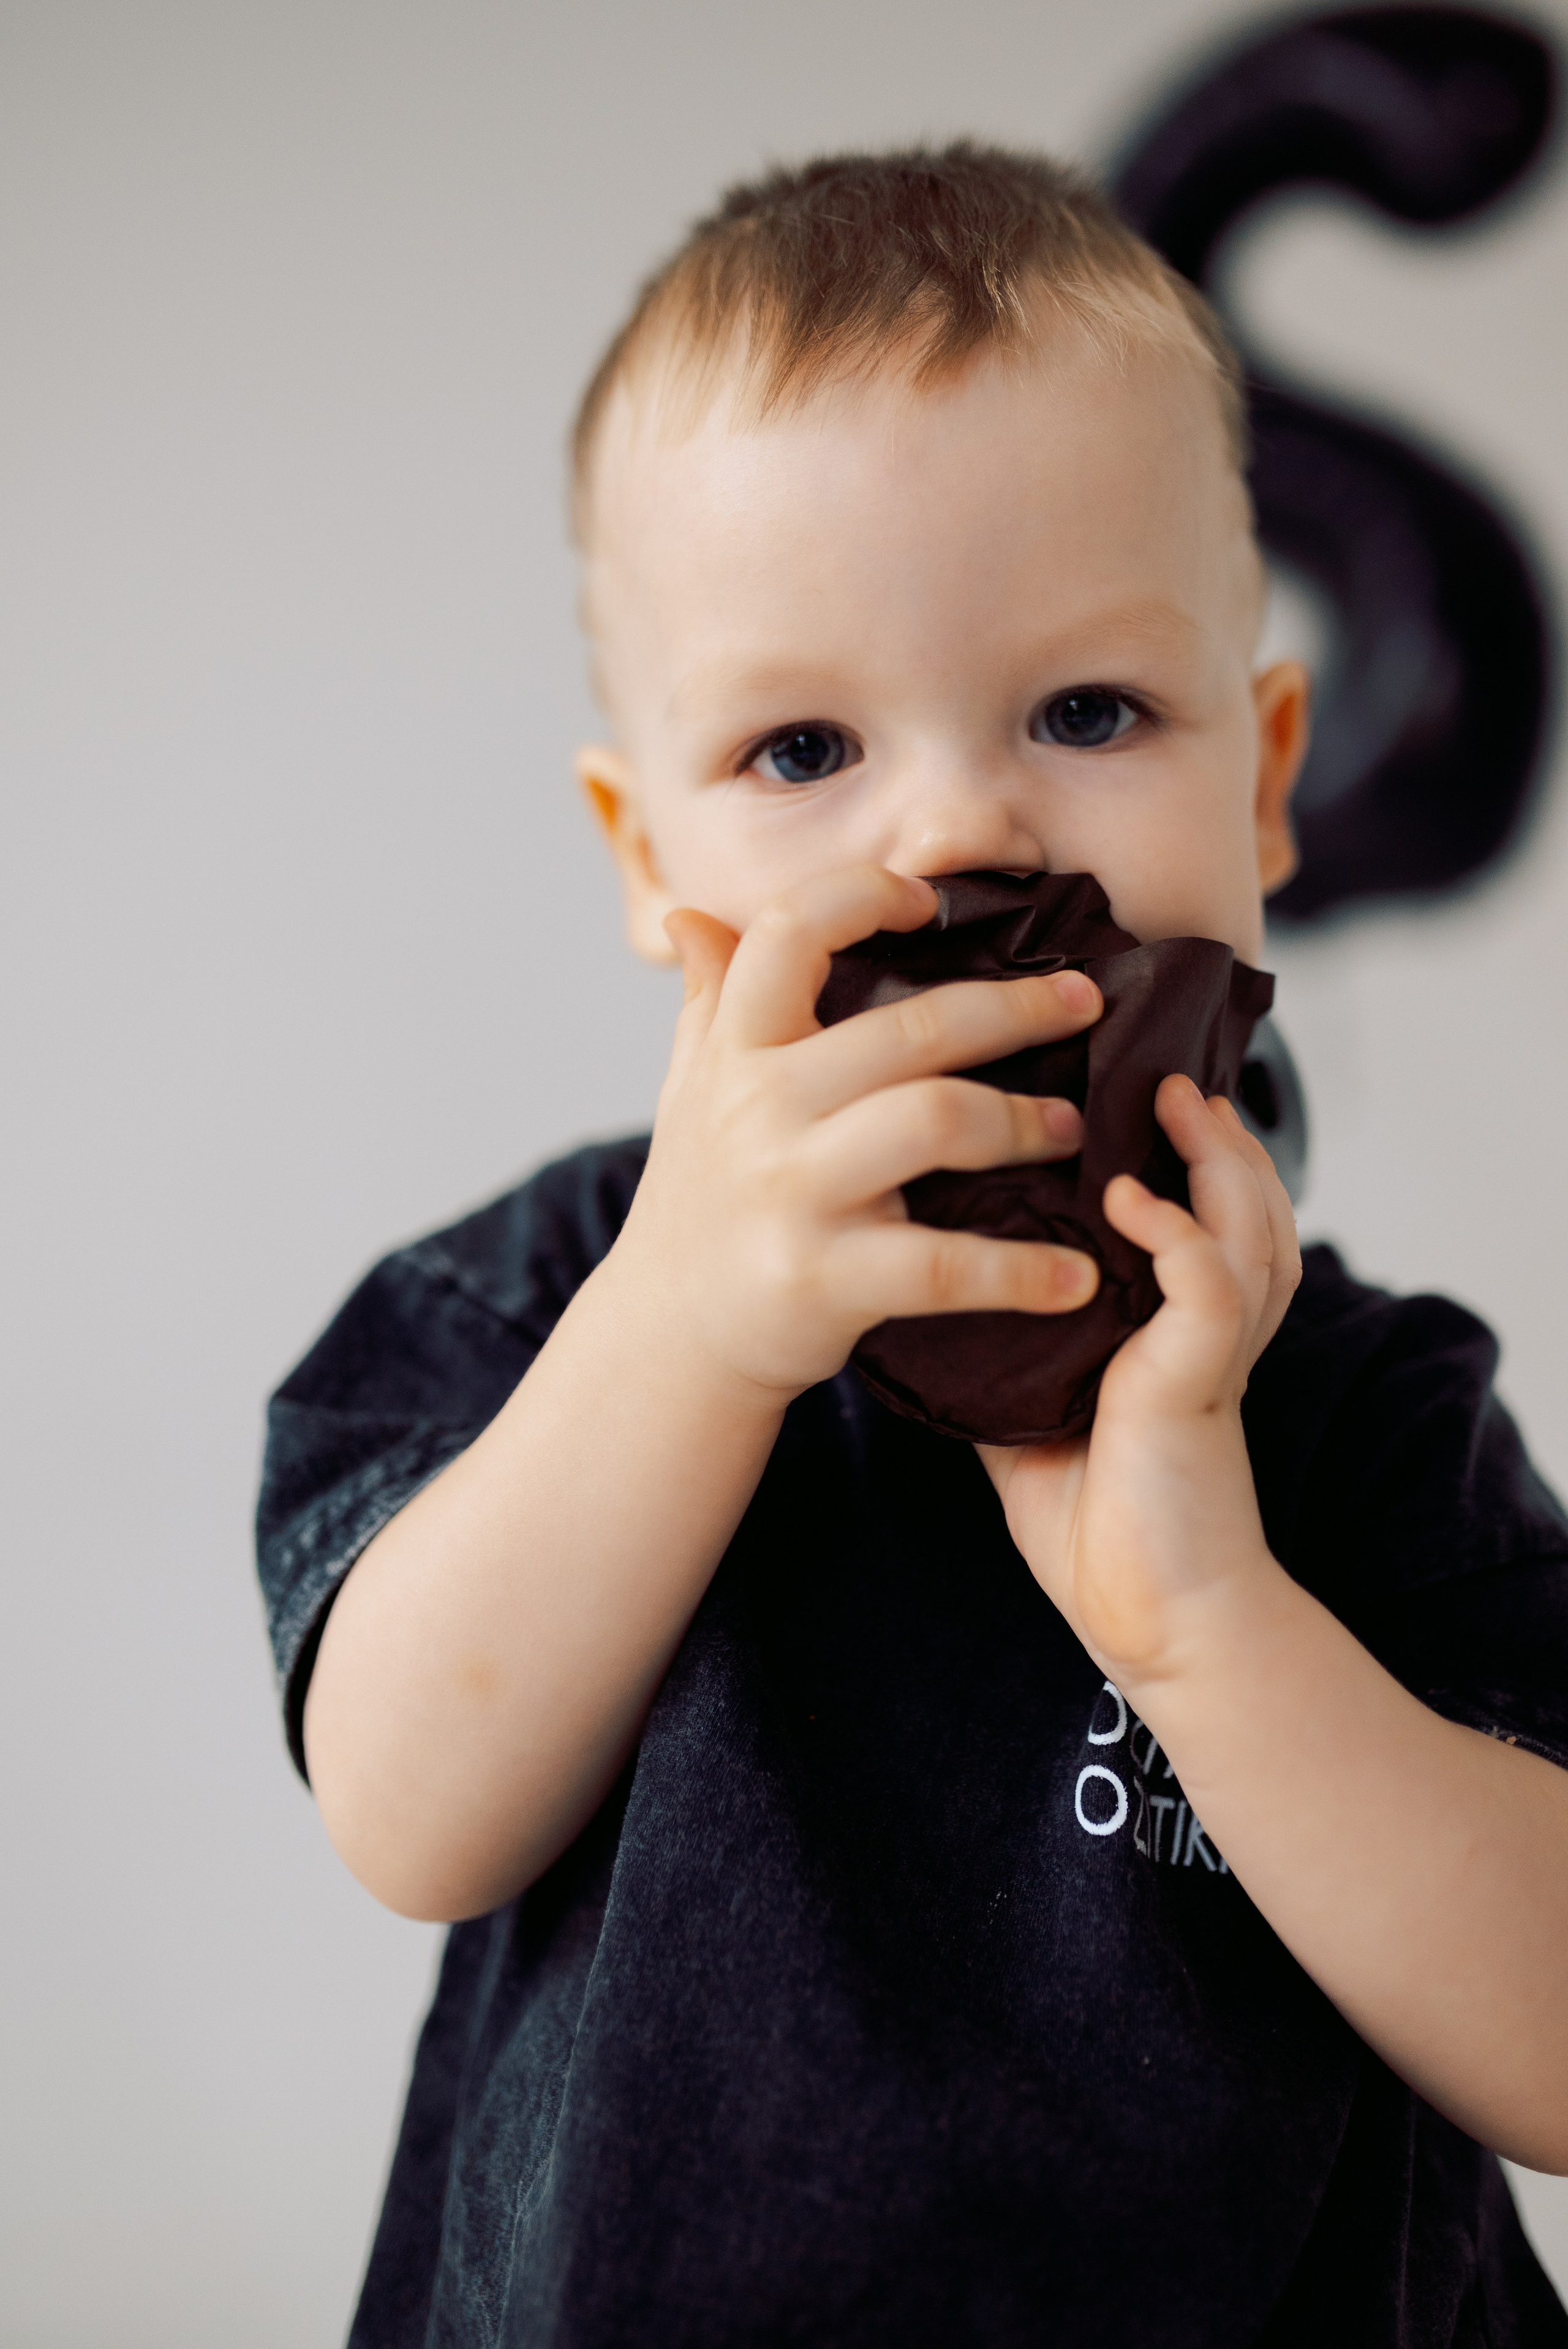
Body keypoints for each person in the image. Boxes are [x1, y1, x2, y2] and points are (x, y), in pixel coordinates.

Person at [256, 145, 1568, 2345]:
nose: (956, 827)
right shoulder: (547, 1309)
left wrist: (1211, 1623)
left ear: (1262, 790)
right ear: (648, 852)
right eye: (801, 746)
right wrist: (681, 1334)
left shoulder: (1358, 1410)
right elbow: (407, 1810)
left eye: (1085, 712)